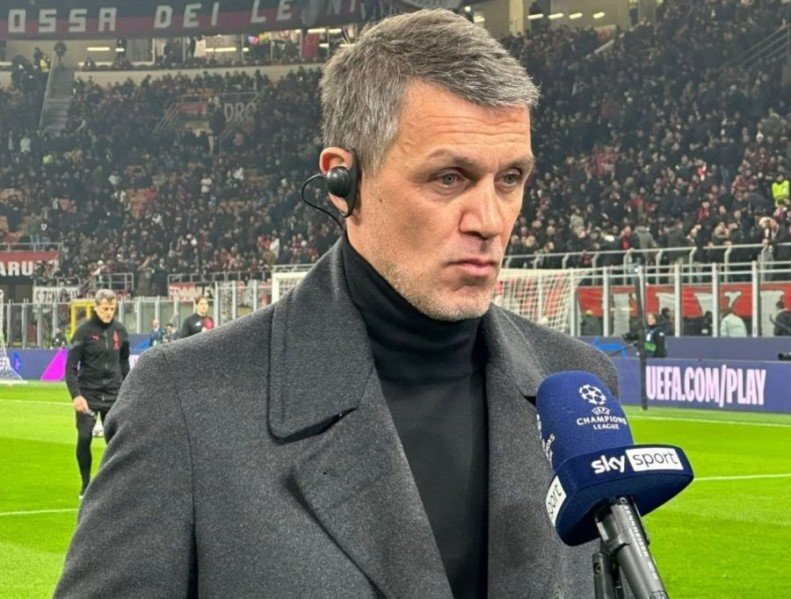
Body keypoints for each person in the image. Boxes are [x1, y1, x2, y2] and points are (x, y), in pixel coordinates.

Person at [56, 10, 617, 597]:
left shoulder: (577, 387)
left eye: (510, 178)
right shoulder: (184, 401)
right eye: (449, 178)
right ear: (343, 181)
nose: (490, 220)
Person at [63, 289, 130, 498]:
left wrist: (128, 390)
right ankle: (85, 485)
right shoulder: (83, 332)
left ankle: (116, 484)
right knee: (84, 437)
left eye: (112, 309)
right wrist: (76, 395)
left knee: (117, 441)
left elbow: (124, 363)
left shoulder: (120, 331)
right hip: (88, 394)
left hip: (114, 393)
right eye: (105, 309)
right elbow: (70, 367)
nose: (109, 313)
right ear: (96, 307)